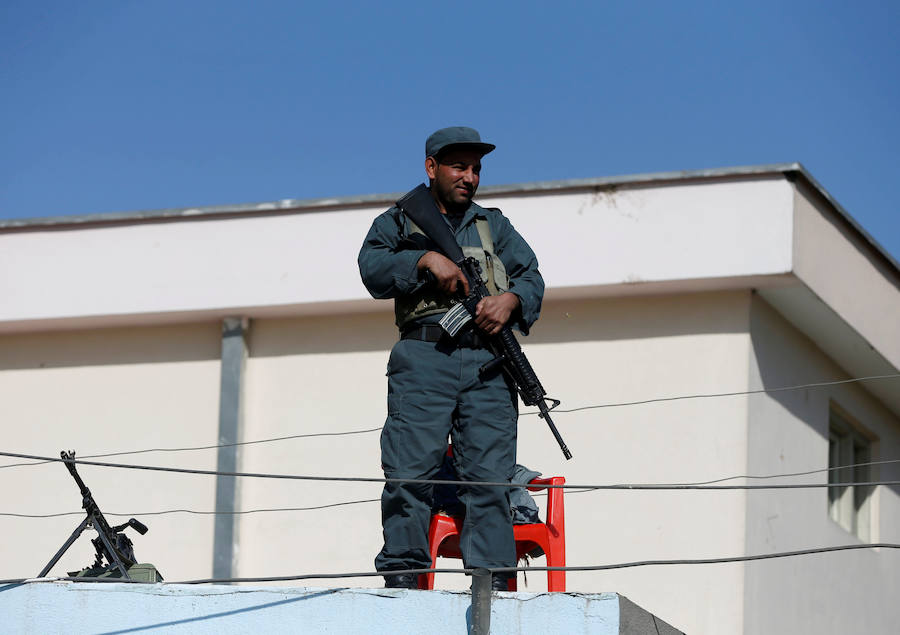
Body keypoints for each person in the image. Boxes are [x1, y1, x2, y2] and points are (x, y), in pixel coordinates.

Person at [358, 126, 545, 590]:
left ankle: (493, 586)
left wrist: (512, 302)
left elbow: (531, 277)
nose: (469, 177)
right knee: (409, 473)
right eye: (459, 166)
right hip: (425, 356)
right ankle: (403, 579)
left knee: (489, 481)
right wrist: (423, 261)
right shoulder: (401, 221)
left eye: (476, 168)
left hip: (487, 364)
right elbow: (372, 268)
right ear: (431, 168)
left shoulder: (493, 225)